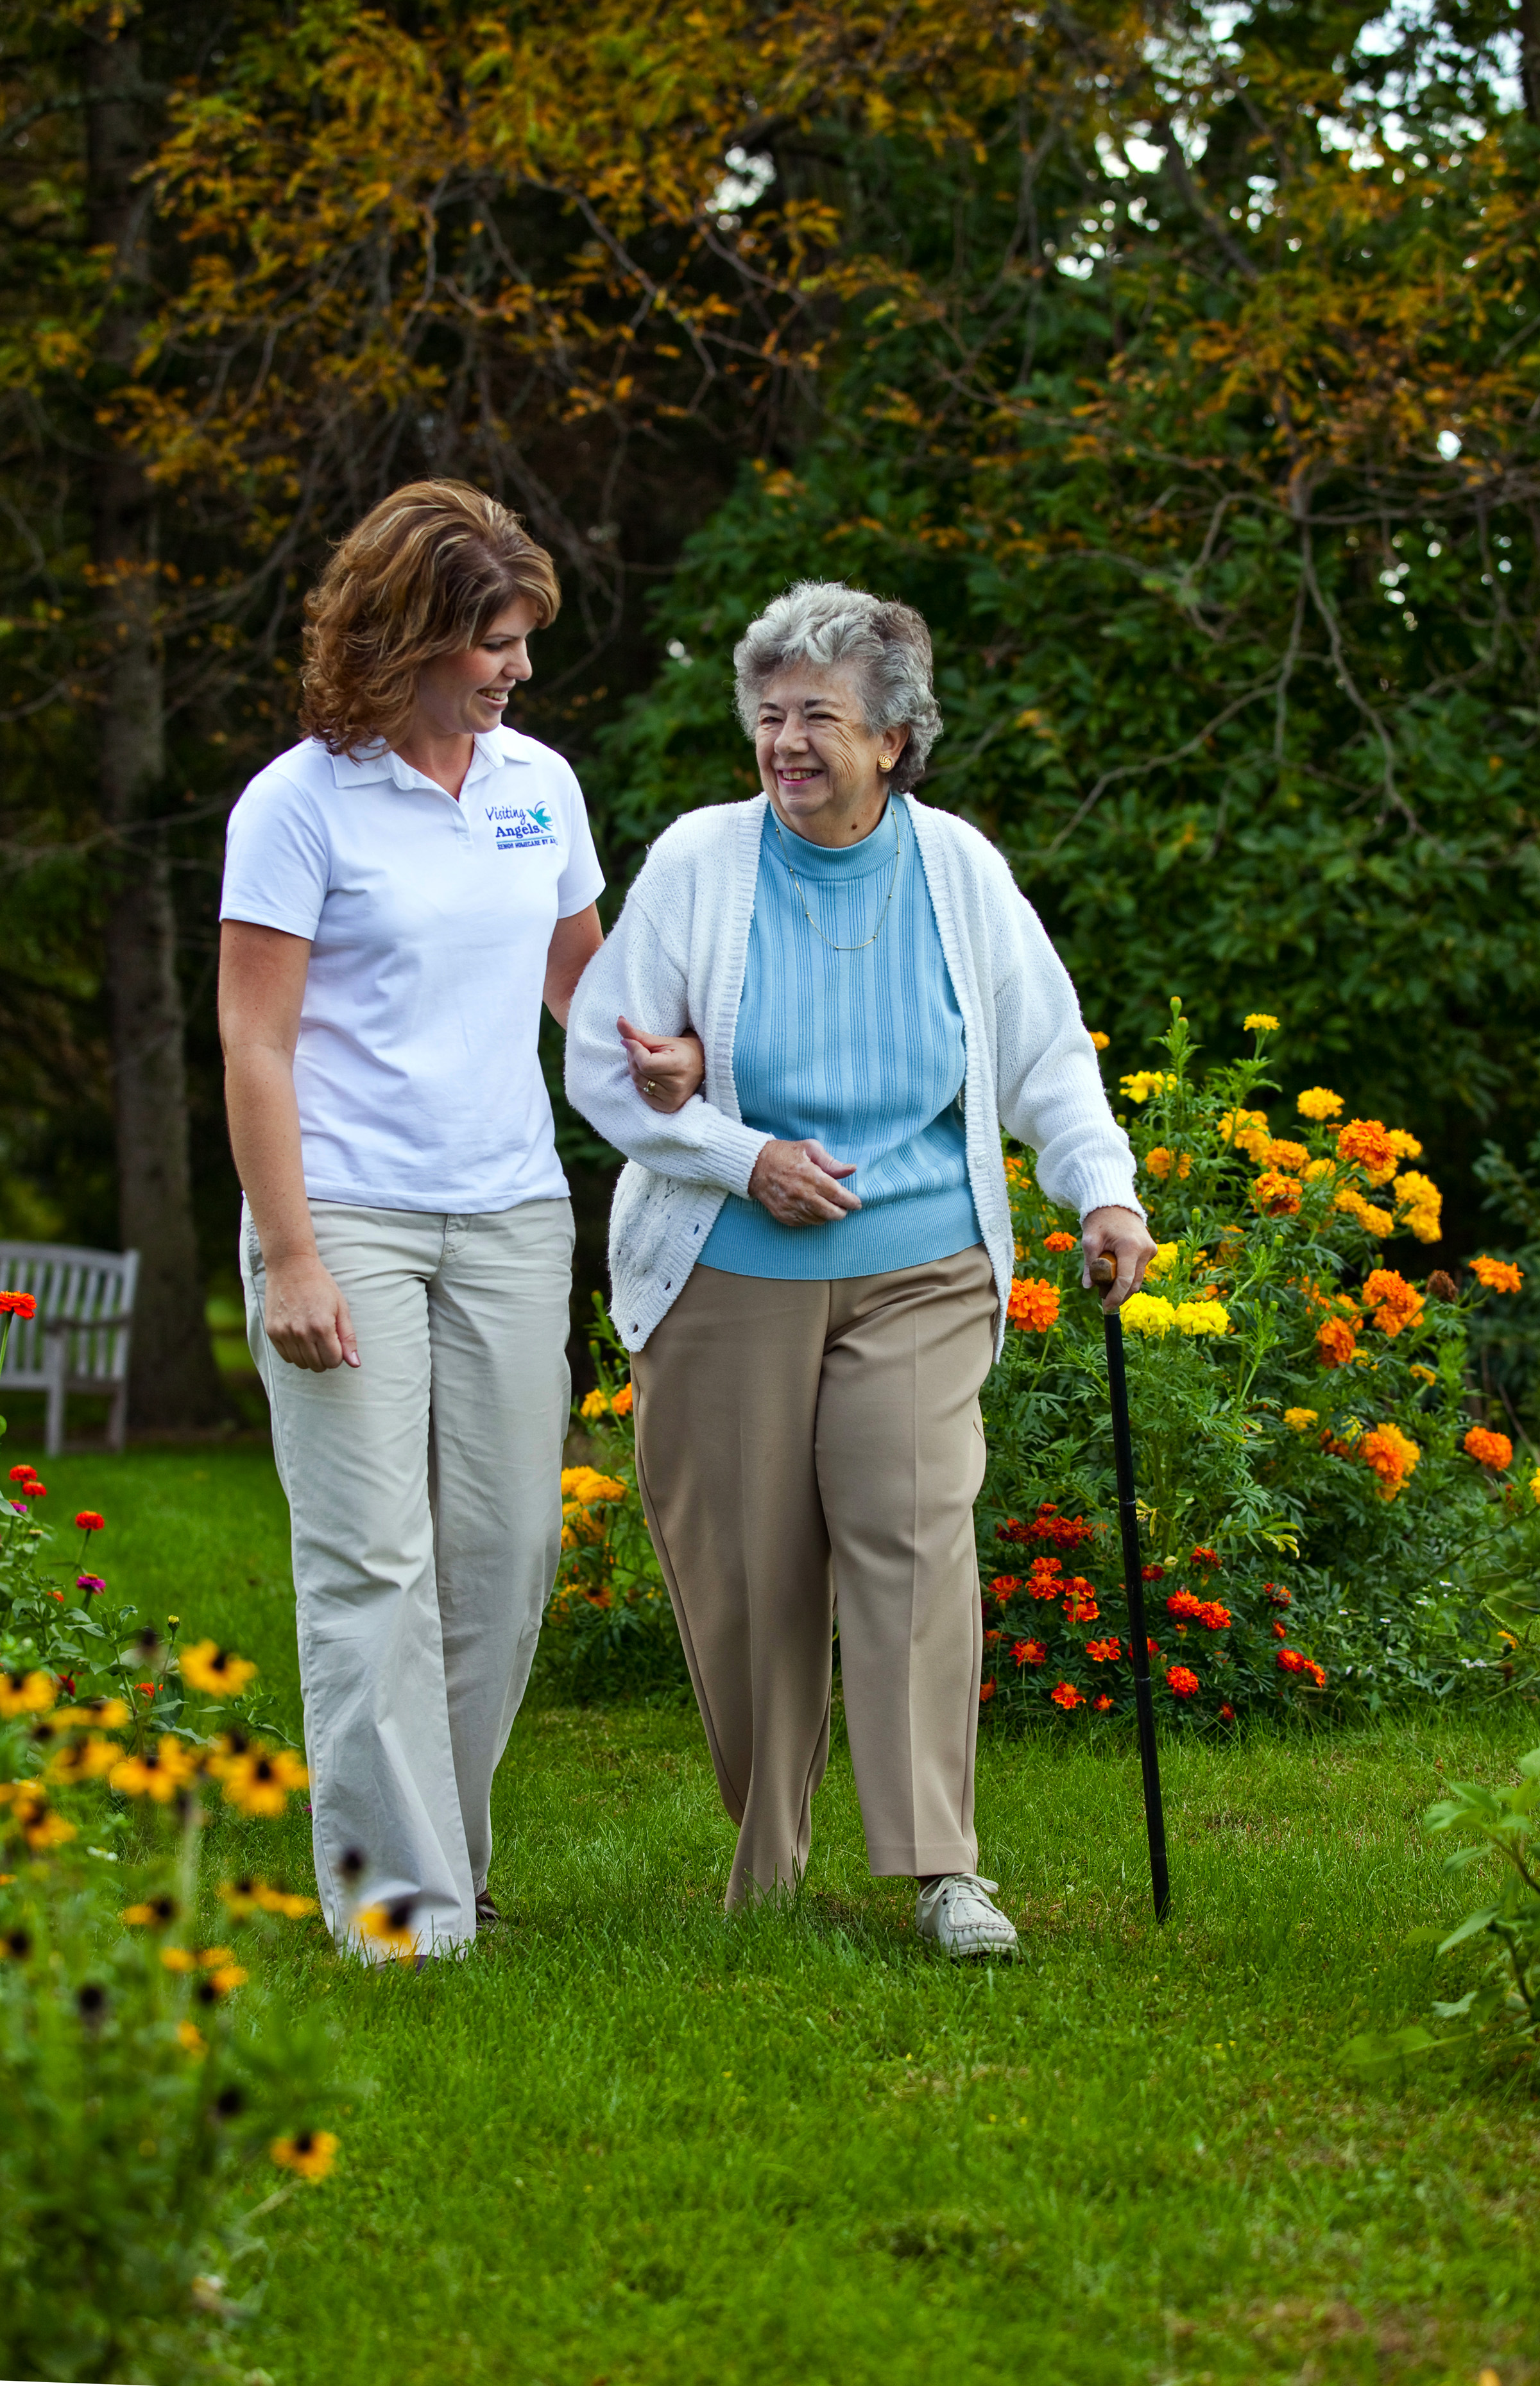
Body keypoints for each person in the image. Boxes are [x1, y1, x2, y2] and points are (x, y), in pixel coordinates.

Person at [566, 579, 1154, 1956]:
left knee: (914, 1530)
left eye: (819, 716)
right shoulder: (702, 864)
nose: (787, 741)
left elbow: (1045, 1052)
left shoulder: (958, 870)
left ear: (893, 739)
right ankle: (767, 1857)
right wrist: (739, 1154)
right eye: (770, 714)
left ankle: (943, 1867)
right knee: (747, 1574)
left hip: (921, 1261)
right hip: (727, 1271)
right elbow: (603, 1059)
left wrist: (1103, 1188)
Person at [218, 480, 700, 1959]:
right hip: (344, 1212)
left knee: (504, 1557)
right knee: (373, 1560)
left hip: (510, 1213)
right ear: (408, 635)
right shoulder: (299, 802)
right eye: (495, 641)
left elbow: (581, 983)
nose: (519, 668)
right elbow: (253, 1039)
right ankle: (400, 1906)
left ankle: (450, 1858)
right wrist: (290, 1253)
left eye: (522, 640)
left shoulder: (538, 785)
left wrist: (655, 1052)